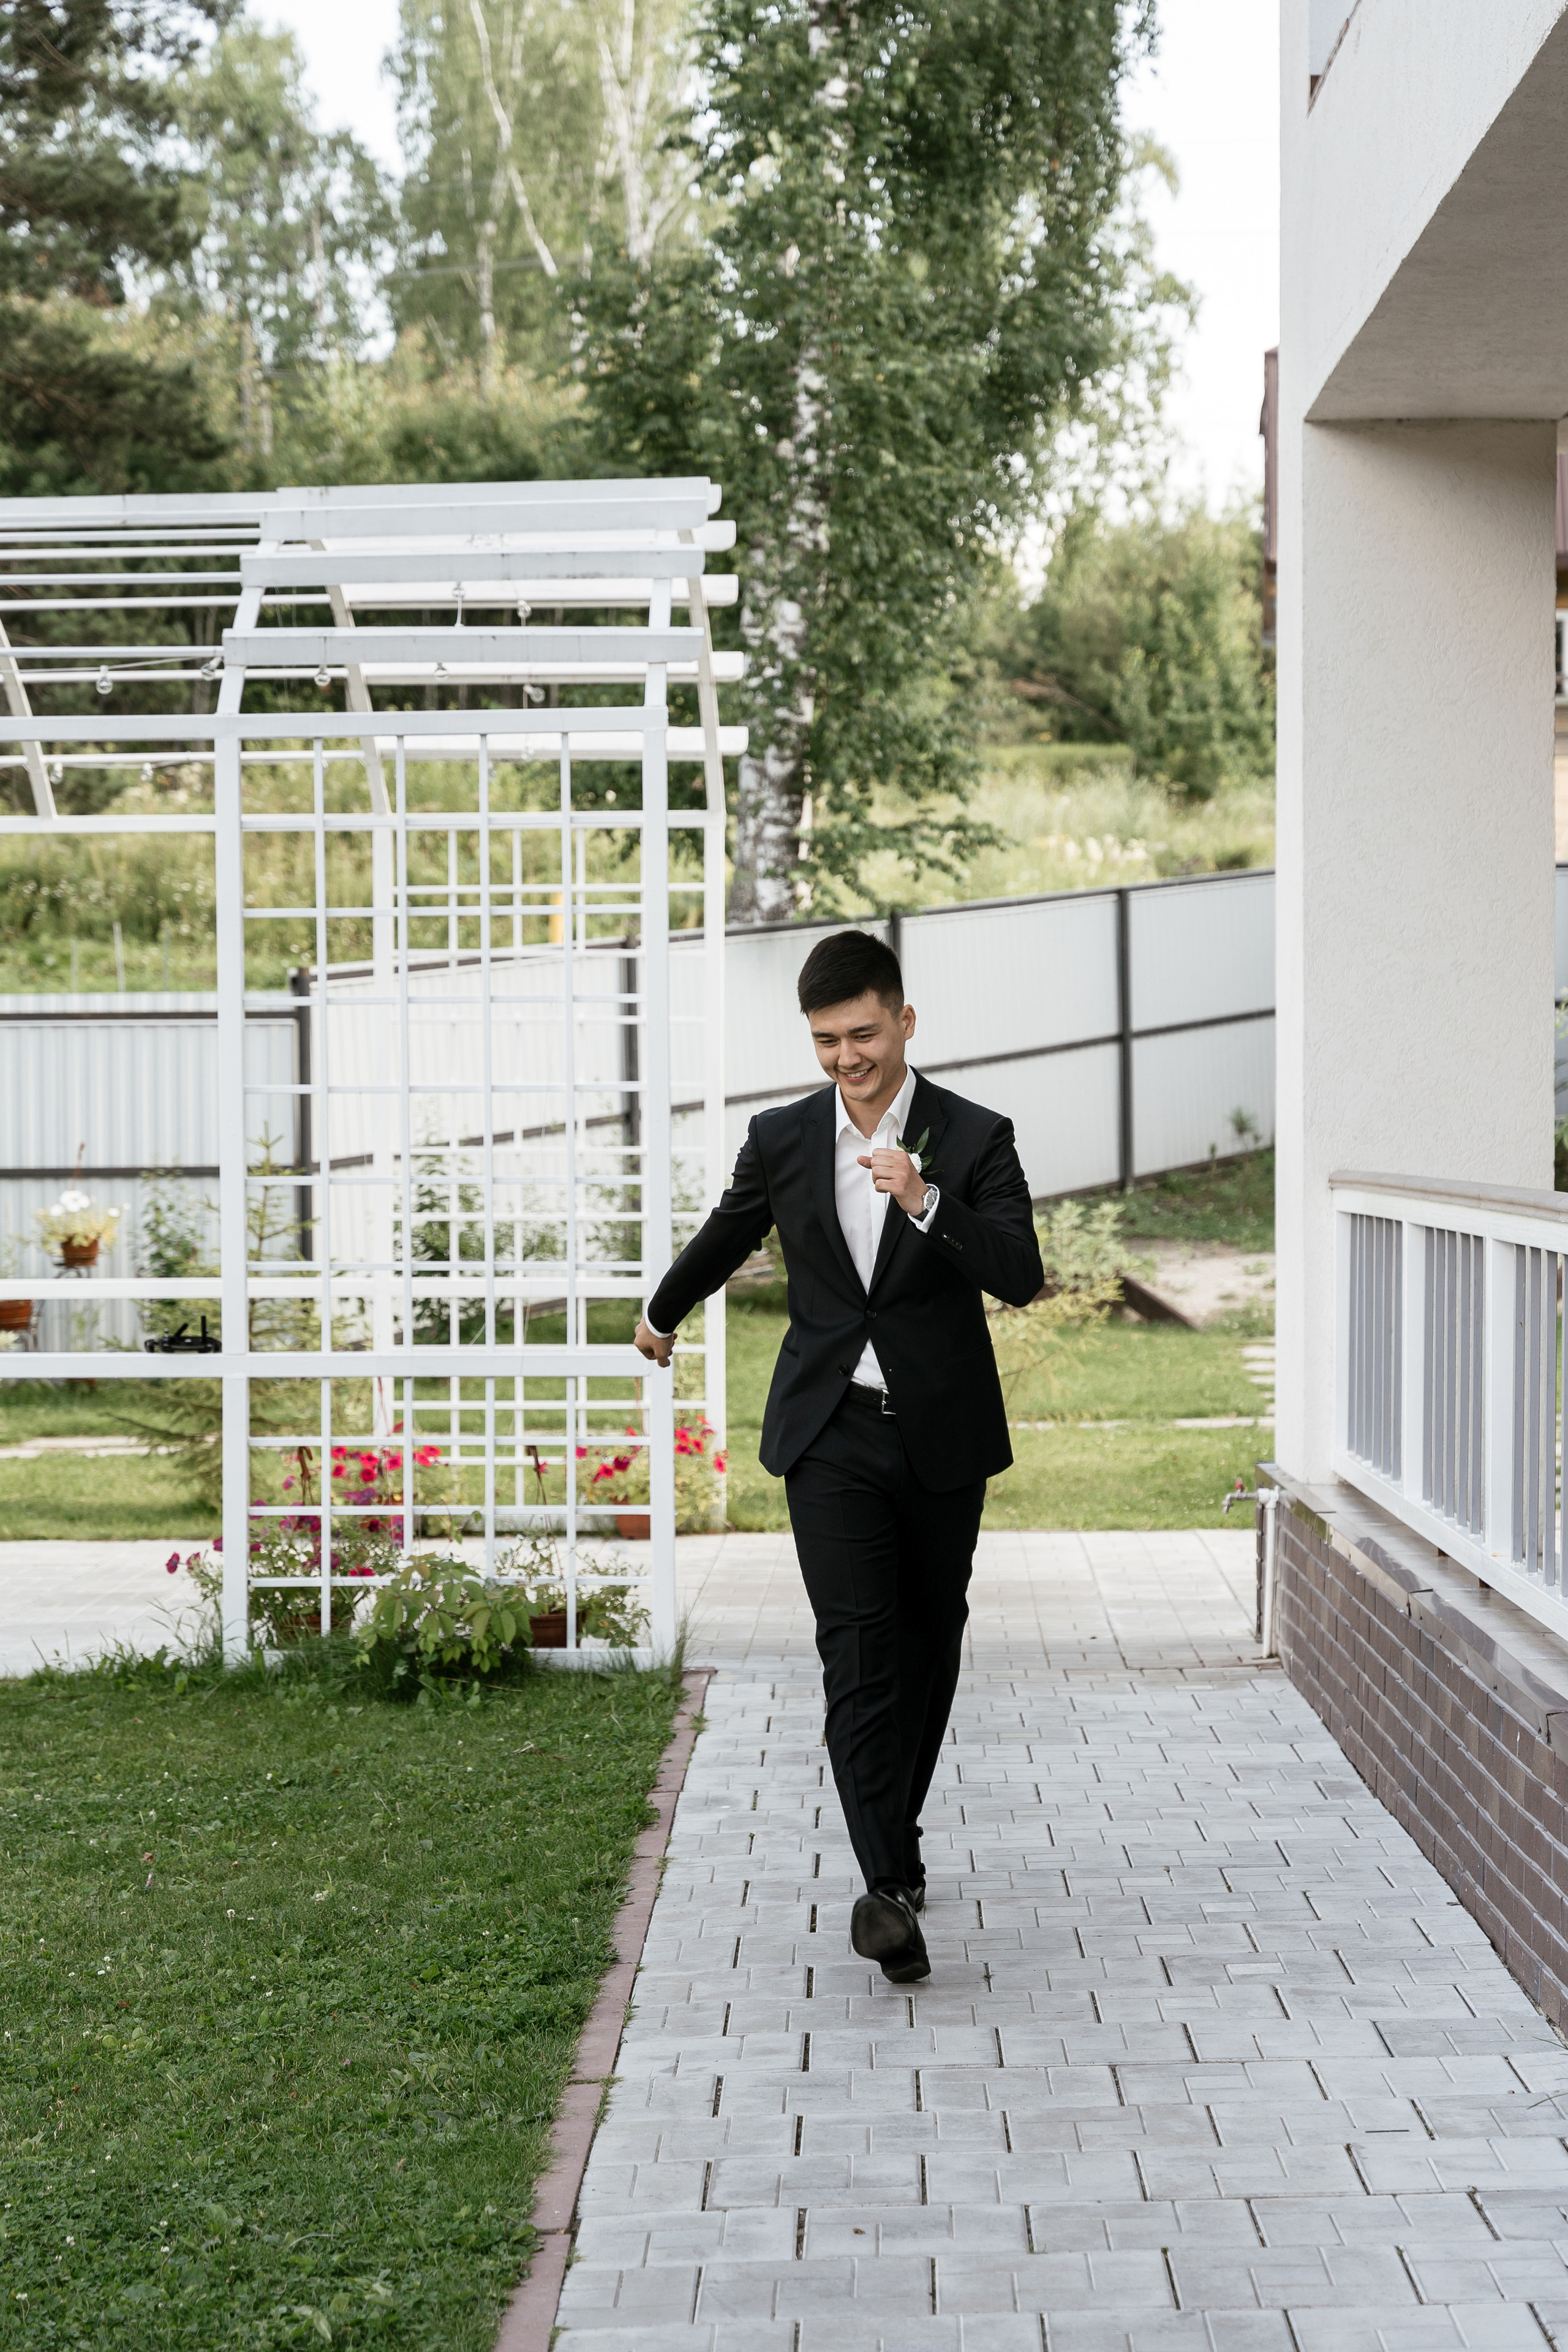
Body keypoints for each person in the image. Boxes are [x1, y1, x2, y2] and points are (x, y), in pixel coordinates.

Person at [635, 929, 1043, 1984]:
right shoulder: (780, 1138)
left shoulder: (975, 1135)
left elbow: (1022, 1274)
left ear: (905, 1021)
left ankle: (892, 1855)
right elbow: (729, 1234)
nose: (847, 1058)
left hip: (943, 1435)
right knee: (856, 1651)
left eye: (863, 1033)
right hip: (833, 1432)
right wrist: (662, 1311)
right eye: (825, 1041)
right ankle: (887, 1887)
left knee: (928, 1642)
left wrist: (925, 1201)